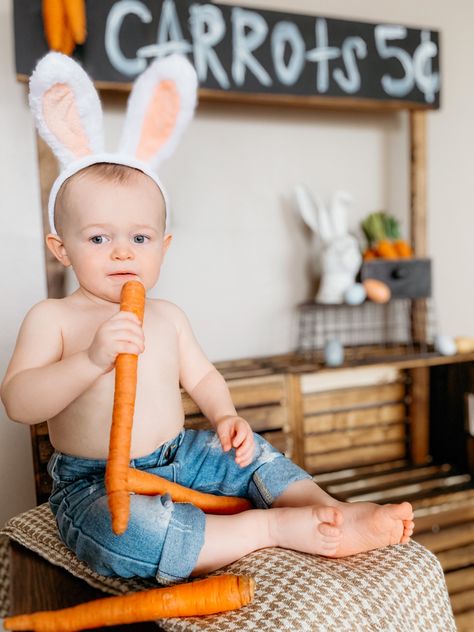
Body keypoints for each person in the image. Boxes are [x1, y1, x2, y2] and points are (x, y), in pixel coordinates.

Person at [1, 52, 413, 586]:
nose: (122, 253)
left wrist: (224, 418)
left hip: (181, 457)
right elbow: (18, 401)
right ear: (62, 249)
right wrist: (91, 359)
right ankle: (275, 529)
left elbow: (201, 377)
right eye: (99, 238)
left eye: (140, 238)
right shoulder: (52, 318)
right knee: (123, 536)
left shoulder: (167, 316)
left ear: (163, 248)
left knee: (253, 455)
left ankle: (327, 510)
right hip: (97, 481)